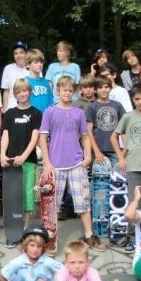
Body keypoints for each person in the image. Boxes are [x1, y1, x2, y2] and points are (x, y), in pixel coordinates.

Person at [39, 75, 105, 251]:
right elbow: (43, 136)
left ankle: (89, 235)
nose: (67, 93)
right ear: (58, 91)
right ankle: (49, 238)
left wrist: (88, 155)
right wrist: (47, 163)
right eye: (64, 90)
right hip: (55, 165)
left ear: (74, 92)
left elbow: (85, 136)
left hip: (76, 163)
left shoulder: (79, 113)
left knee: (83, 201)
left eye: (70, 90)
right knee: (52, 205)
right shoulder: (49, 112)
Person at [0, 79, 42, 235]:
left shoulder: (36, 113)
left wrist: (24, 156)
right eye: (19, 91)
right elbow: (5, 135)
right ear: (15, 94)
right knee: (13, 196)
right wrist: (2, 155)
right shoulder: (10, 113)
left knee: (27, 195)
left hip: (28, 160)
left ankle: (25, 228)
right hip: (11, 162)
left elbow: (34, 138)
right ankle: (12, 229)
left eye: (25, 91)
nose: (22, 94)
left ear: (30, 92)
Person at [85, 76, 126, 166]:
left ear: (111, 88)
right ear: (95, 90)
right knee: (100, 178)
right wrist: (96, 151)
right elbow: (89, 131)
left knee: (117, 178)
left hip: (115, 150)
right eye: (100, 87)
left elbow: (123, 131)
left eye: (106, 87)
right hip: (98, 150)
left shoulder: (118, 106)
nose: (103, 90)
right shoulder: (91, 107)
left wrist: (124, 151)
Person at [1, 40, 30, 110]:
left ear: (26, 54)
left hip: (29, 106)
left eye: (21, 53)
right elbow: (6, 90)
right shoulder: (8, 68)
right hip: (11, 107)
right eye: (15, 53)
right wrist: (5, 108)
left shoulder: (33, 68)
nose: (18, 56)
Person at [24, 48, 55, 114]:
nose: (40, 64)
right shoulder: (25, 82)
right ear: (28, 64)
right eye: (36, 62)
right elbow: (22, 104)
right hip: (31, 118)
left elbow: (51, 102)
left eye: (41, 62)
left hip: (46, 119)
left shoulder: (46, 82)